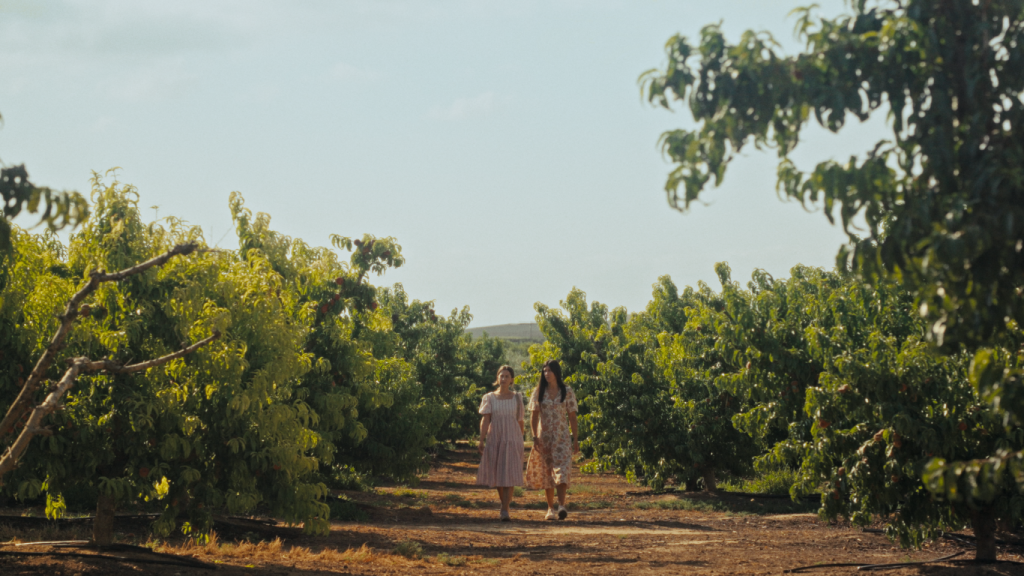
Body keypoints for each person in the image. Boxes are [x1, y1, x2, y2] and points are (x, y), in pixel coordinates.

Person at [525, 359, 579, 520]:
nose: (547, 374)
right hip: (545, 438)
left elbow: (572, 416)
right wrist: (534, 436)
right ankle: (550, 508)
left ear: (556, 372)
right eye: (545, 371)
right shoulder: (539, 391)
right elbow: (533, 415)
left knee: (562, 471)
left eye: (549, 371)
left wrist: (575, 439)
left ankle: (562, 505)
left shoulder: (567, 391)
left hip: (562, 438)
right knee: (547, 473)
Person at [475, 365, 525, 521]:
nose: (503, 379)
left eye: (507, 376)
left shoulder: (517, 397)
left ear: (511, 380)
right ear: (497, 378)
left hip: (512, 438)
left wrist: (520, 440)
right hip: (496, 437)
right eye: (501, 376)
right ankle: (505, 504)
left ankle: (504, 509)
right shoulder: (489, 397)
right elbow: (485, 419)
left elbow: (520, 420)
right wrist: (481, 439)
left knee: (509, 472)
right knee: (498, 473)